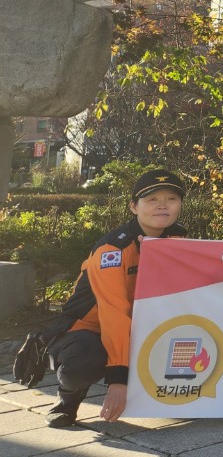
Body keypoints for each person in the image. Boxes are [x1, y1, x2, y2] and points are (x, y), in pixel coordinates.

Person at [45, 169, 187, 427]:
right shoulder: (112, 250)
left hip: (143, 322)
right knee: (83, 364)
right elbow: (113, 313)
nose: (163, 205)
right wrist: (118, 381)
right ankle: (68, 398)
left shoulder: (180, 241)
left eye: (172, 199)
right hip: (92, 327)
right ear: (133, 206)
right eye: (152, 199)